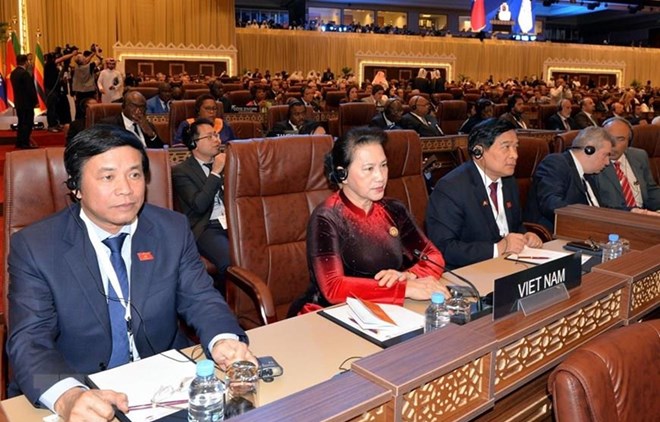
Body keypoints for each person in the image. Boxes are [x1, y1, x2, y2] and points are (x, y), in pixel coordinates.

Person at [6, 125, 255, 421]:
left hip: (166, 383)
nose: (126, 189)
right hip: (82, 385)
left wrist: (223, 339)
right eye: (108, 177)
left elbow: (201, 297)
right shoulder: (36, 247)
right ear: (76, 187)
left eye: (135, 174)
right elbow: (29, 340)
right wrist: (67, 396)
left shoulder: (171, 229)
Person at [288, 127, 449, 317]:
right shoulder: (327, 217)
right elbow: (333, 288)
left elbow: (433, 257)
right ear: (342, 175)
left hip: (388, 310)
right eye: (369, 169)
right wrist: (404, 289)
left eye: (383, 165)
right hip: (333, 313)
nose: (380, 176)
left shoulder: (393, 209)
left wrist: (408, 275)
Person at [426, 119, 542, 270]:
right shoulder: (451, 188)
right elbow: (443, 248)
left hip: (508, 266)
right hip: (468, 272)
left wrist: (525, 237)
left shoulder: (508, 182)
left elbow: (514, 226)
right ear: (478, 152)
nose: (515, 155)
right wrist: (497, 249)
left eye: (515, 147)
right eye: (506, 147)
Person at [173, 118, 232, 291]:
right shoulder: (181, 171)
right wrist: (215, 173)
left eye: (216, 135)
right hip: (206, 227)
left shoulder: (229, 163)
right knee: (230, 262)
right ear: (194, 143)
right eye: (210, 136)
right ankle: (224, 305)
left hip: (233, 223)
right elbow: (199, 205)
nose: (217, 140)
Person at [525, 126, 615, 232]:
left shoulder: (588, 174)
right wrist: (590, 217)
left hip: (588, 231)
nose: (607, 162)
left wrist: (629, 211)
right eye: (605, 155)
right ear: (589, 150)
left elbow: (600, 208)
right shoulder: (556, 163)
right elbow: (551, 204)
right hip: (555, 234)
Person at [590, 117, 660, 213]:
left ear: (629, 141)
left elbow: (651, 190)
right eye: (608, 138)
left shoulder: (639, 156)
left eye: (621, 139)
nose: (613, 145)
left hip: (644, 216)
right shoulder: (592, 162)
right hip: (615, 219)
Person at [10, 54, 39, 149]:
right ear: (25, 62)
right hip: (27, 103)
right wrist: (35, 101)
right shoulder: (24, 74)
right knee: (27, 123)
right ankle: (25, 143)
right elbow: (30, 89)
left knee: (21, 122)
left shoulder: (13, 73)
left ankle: (19, 142)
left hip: (18, 102)